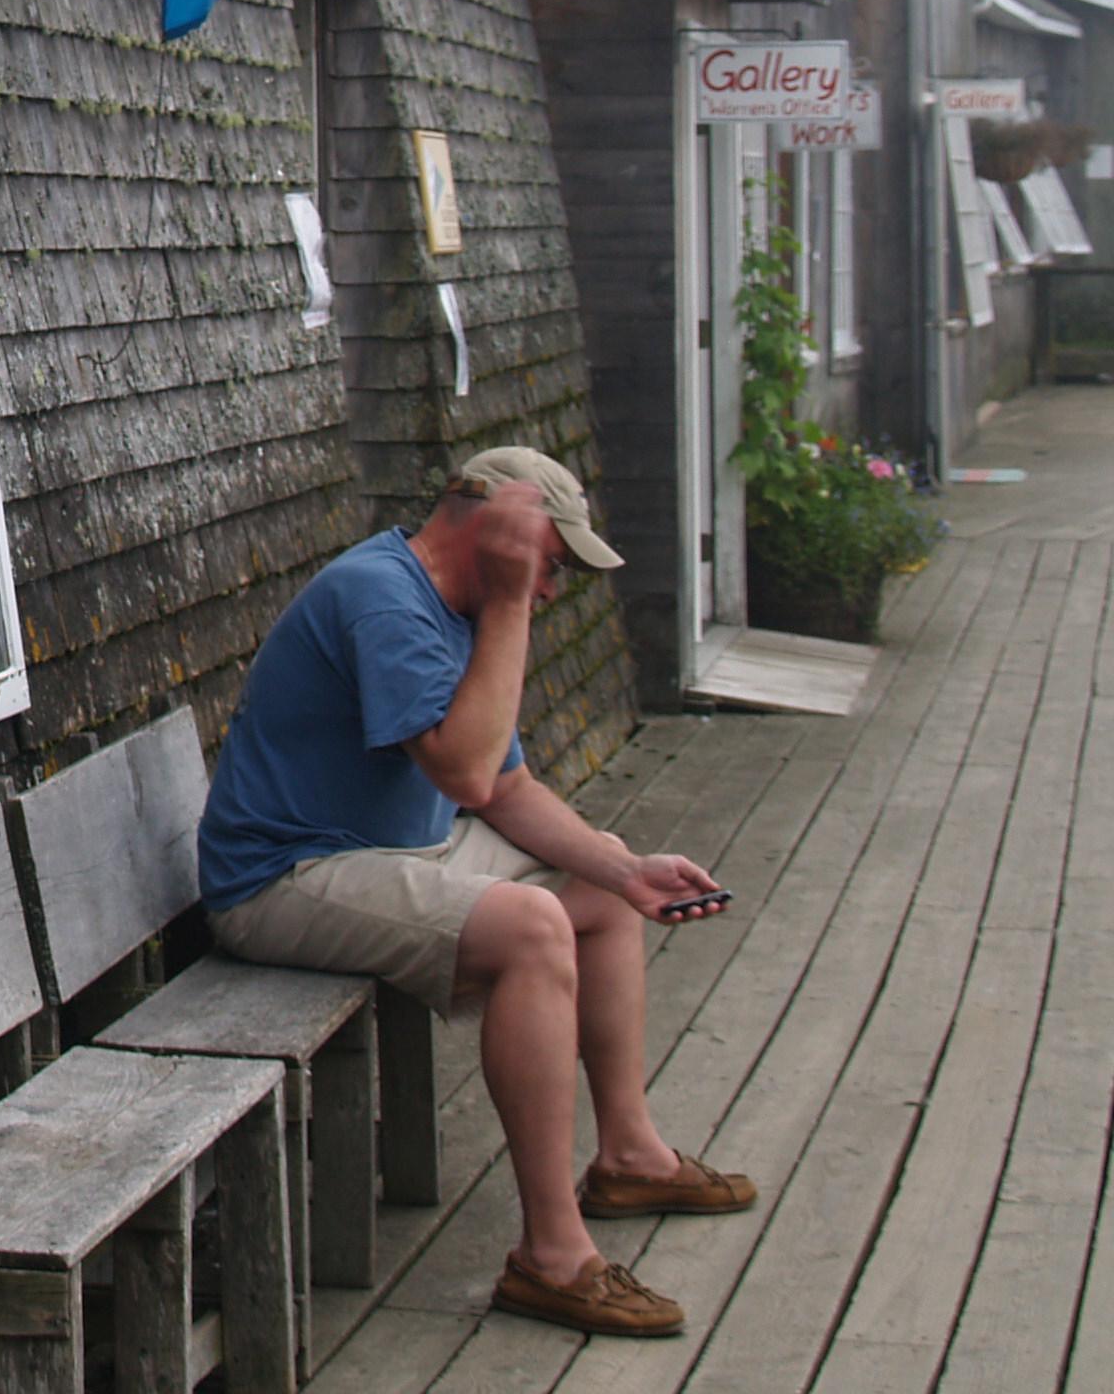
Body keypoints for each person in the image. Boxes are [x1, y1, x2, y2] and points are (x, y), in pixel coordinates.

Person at [196, 447, 754, 1338]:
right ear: (491, 529)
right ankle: (554, 1257)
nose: (552, 589)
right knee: (533, 925)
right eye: (553, 563)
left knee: (600, 881)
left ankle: (630, 1155)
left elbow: (504, 787)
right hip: (281, 879)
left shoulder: (460, 609)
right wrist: (505, 602)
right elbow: (461, 772)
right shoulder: (382, 596)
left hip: (396, 853)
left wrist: (625, 871)